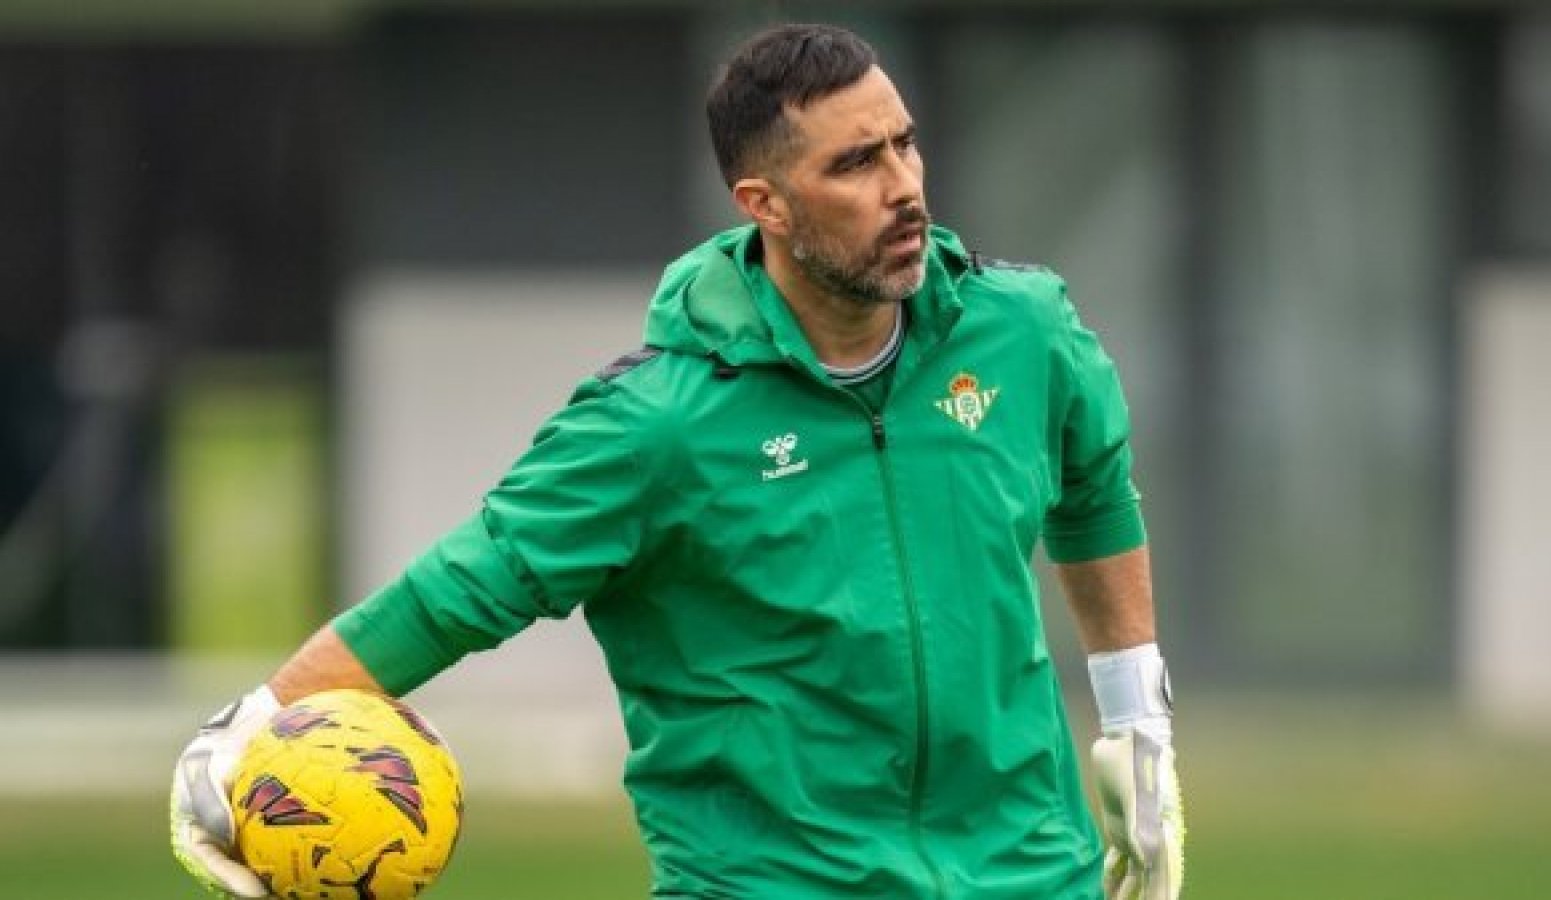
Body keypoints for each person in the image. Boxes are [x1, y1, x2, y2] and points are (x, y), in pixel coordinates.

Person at [171, 22, 1184, 900]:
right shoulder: (655, 423)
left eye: (903, 144)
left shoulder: (1021, 330)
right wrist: (252, 725)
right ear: (766, 204)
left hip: (1031, 871)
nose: (904, 187)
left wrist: (1136, 722)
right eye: (853, 164)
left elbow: (1091, 487)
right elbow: (460, 588)